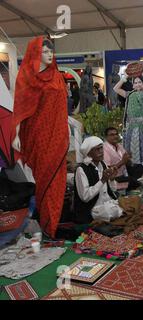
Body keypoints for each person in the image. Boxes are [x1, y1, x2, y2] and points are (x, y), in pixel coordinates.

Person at [11, 37, 69, 238]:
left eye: (51, 51)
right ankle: (47, 224)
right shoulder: (26, 76)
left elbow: (61, 105)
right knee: (44, 178)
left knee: (57, 179)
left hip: (58, 134)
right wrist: (16, 133)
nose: (49, 55)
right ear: (35, 53)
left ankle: (52, 223)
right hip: (37, 134)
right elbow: (20, 106)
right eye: (44, 51)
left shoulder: (56, 76)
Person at [114, 68, 143, 175]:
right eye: (135, 82)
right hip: (129, 126)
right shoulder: (129, 94)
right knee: (128, 146)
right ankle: (131, 167)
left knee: (141, 146)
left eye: (139, 82)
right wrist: (125, 77)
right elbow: (116, 88)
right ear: (133, 85)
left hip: (140, 126)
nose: (137, 84)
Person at [74, 136, 120, 224]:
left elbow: (112, 190)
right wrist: (102, 180)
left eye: (101, 148)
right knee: (114, 211)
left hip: (107, 204)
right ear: (89, 153)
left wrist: (112, 179)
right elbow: (85, 197)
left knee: (128, 203)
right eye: (97, 149)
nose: (101, 152)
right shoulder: (81, 169)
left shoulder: (103, 164)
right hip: (93, 209)